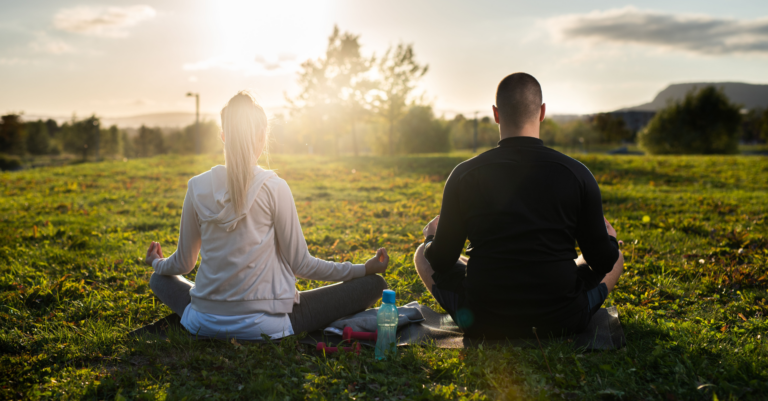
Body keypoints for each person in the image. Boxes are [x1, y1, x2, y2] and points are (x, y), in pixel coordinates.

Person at [144, 90, 389, 340]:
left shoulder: (196, 186)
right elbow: (301, 264)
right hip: (267, 326)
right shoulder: (275, 186)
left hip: (202, 321)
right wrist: (362, 268)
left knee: (159, 279)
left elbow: (184, 264)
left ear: (223, 136)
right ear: (262, 137)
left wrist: (156, 262)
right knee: (374, 285)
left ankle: (201, 303)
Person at [413, 73, 624, 339]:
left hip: (484, 319)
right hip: (562, 318)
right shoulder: (578, 174)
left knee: (422, 254)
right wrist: (611, 241)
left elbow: (441, 260)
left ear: (496, 114)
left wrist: (432, 236)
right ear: (542, 112)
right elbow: (603, 260)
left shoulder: (464, 174)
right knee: (617, 259)